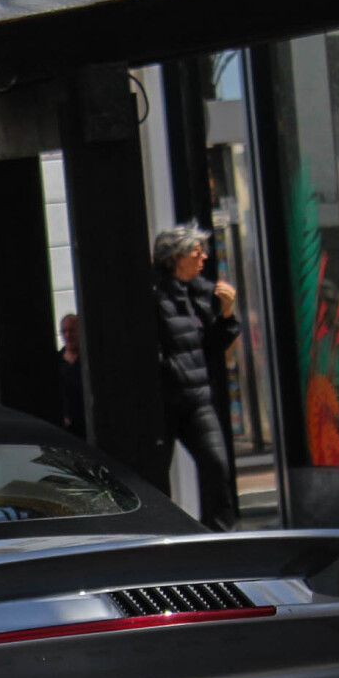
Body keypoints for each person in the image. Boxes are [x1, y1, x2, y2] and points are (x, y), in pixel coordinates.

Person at [150, 223, 240, 530]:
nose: (203, 259)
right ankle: (160, 535)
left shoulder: (200, 292)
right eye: (196, 252)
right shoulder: (153, 294)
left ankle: (219, 534)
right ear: (175, 257)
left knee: (217, 465)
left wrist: (227, 314)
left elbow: (210, 347)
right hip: (163, 402)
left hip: (197, 399)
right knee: (155, 475)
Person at [57, 313, 87, 437]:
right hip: (67, 426)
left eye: (72, 330)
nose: (68, 335)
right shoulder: (57, 360)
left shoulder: (88, 359)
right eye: (64, 331)